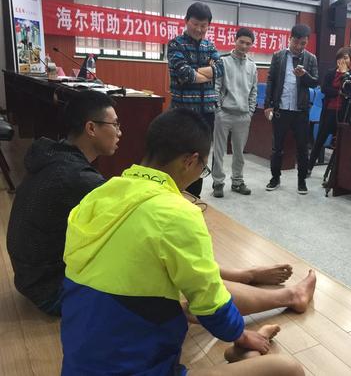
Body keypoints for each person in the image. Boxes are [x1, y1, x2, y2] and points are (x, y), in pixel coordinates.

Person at [60, 108, 305, 376]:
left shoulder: (97, 196)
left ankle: (250, 345)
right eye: (204, 169)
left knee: (183, 298)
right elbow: (212, 307)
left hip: (79, 364)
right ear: (190, 161)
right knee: (289, 369)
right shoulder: (177, 213)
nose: (200, 175)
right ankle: (248, 349)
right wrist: (241, 334)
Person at [6, 91, 121, 317]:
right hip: (51, 291)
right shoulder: (76, 177)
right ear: (91, 128)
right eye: (115, 124)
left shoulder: (53, 155)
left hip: (30, 278)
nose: (120, 132)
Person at [167, 2, 224, 198]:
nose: (199, 29)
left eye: (204, 25)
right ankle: (175, 197)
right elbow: (185, 74)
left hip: (207, 112)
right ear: (186, 21)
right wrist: (206, 73)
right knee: (180, 156)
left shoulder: (210, 46)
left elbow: (220, 69)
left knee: (200, 158)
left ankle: (194, 198)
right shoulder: (175, 44)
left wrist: (195, 71)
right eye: (195, 24)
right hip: (183, 112)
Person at [264, 24, 319, 195]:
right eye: (296, 42)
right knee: (277, 147)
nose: (299, 46)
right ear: (290, 39)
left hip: (300, 111)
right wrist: (268, 105)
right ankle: (275, 178)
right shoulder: (279, 56)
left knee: (302, 148)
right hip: (281, 108)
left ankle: (302, 181)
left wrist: (305, 76)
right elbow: (271, 80)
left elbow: (315, 82)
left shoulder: (311, 58)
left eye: (303, 43)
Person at [212, 27, 257, 198]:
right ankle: (218, 182)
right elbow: (216, 86)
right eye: (241, 42)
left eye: (248, 43)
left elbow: (253, 91)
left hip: (243, 116)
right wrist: (218, 109)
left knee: (239, 152)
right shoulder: (223, 62)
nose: (244, 46)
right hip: (223, 113)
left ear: (251, 45)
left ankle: (237, 181)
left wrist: (250, 111)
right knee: (219, 151)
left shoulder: (252, 66)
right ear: (235, 40)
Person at [307, 46, 351, 173]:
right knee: (320, 140)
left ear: (350, 59)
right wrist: (339, 92)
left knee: (340, 143)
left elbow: (349, 91)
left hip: (343, 113)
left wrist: (344, 74)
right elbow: (324, 89)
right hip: (329, 111)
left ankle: (335, 173)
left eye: (346, 58)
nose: (342, 61)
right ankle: (309, 167)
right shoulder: (330, 73)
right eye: (340, 58)